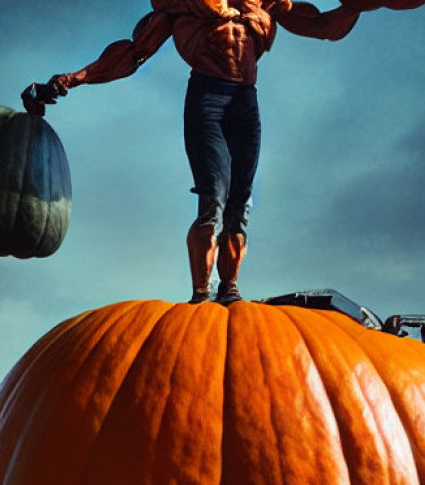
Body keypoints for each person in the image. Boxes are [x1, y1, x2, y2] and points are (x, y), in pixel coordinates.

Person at [21, 0, 363, 305]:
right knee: (213, 193)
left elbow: (320, 26)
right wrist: (73, 79)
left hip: (245, 100)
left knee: (240, 200)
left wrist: (358, 6)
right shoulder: (182, 4)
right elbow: (132, 53)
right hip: (207, 97)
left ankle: (229, 290)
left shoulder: (268, 2)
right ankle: (201, 294)